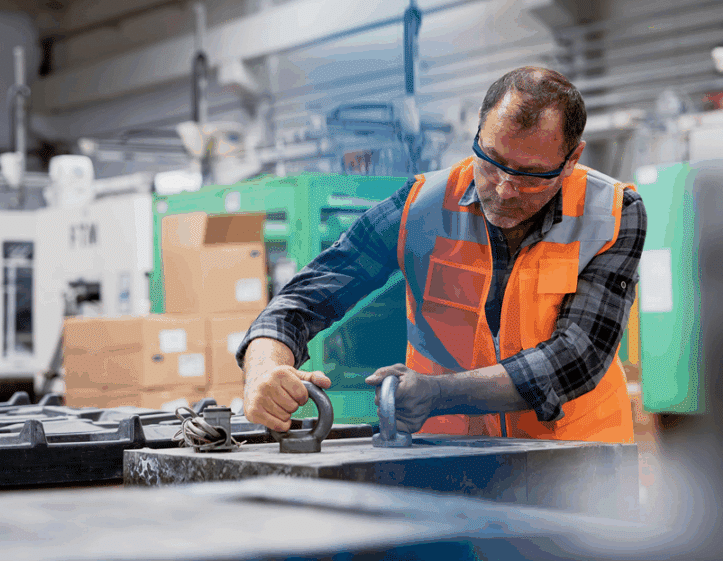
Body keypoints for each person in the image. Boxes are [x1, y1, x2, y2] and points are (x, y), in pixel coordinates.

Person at [236, 67, 646, 442]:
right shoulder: (421, 206)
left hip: (577, 465)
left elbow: (575, 356)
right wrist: (263, 369)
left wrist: (437, 393)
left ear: (571, 158)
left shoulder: (610, 213)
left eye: (530, 175)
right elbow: (302, 300)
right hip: (449, 459)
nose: (503, 189)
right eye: (491, 162)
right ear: (479, 132)